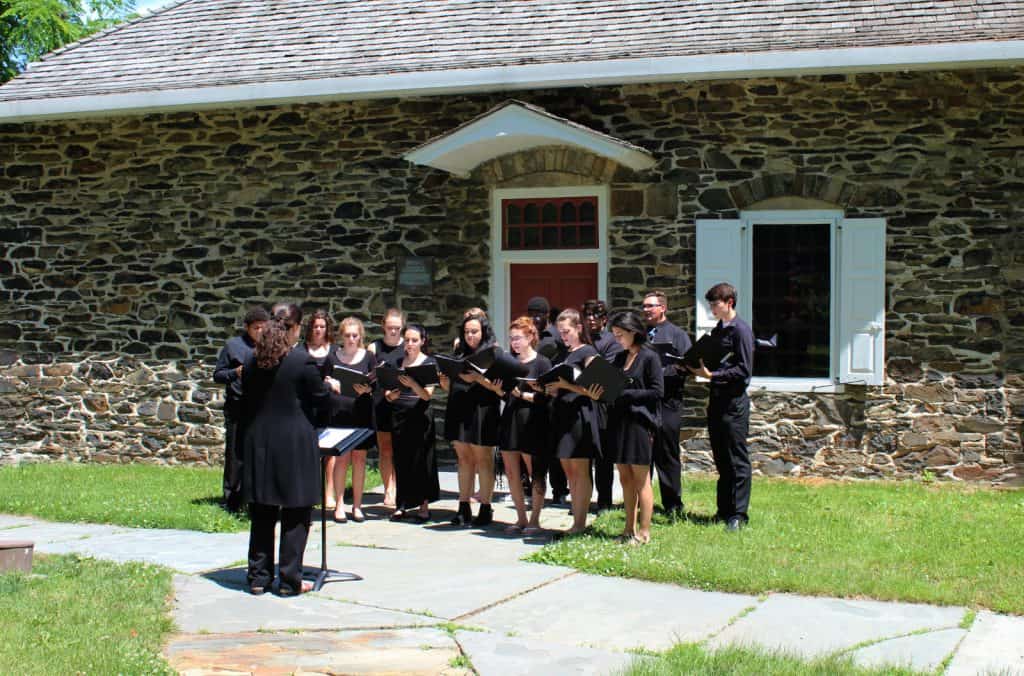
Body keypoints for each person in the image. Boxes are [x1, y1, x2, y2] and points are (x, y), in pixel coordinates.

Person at [239, 303, 327, 596]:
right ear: (296, 328)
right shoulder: (301, 361)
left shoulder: (252, 361)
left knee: (263, 511)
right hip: (293, 444)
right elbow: (320, 399)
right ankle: (289, 581)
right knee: (296, 512)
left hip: (260, 443)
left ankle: (259, 577)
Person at [687, 283, 755, 532]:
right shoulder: (720, 329)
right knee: (721, 458)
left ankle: (738, 514)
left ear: (729, 302)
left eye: (715, 304)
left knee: (737, 459)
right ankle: (723, 510)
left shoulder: (741, 331)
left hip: (734, 403)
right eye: (711, 305)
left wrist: (713, 374)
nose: (712, 309)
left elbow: (744, 369)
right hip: (717, 401)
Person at [539, 309, 603, 536]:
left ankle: (580, 523)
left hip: (580, 415)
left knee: (580, 470)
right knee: (568, 469)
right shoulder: (564, 353)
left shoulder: (588, 352)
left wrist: (566, 386)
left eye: (567, 331)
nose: (563, 336)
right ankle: (575, 519)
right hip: (563, 414)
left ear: (578, 328)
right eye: (560, 332)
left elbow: (596, 389)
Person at [606, 311, 664, 545]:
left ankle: (644, 531)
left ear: (633, 333)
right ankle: (628, 528)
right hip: (619, 422)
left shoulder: (650, 357)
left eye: (620, 335)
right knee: (625, 479)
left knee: (641, 479)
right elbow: (610, 386)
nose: (617, 339)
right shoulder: (619, 358)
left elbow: (657, 391)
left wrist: (627, 394)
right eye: (614, 335)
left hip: (640, 424)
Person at [439, 312, 502, 527]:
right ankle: (463, 506)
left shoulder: (493, 352)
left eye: (474, 332)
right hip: (459, 406)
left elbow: (499, 388)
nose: (470, 336)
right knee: (464, 459)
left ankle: (485, 507)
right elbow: (449, 386)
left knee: (483, 459)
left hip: (483, 409)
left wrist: (477, 378)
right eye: (466, 332)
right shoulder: (459, 352)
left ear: (483, 331)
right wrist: (444, 379)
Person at [495, 316, 552, 533]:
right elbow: (505, 394)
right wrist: (498, 389)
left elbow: (547, 396)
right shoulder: (508, 361)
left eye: (518, 338)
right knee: (511, 471)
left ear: (530, 337)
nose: (514, 343)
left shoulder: (542, 362)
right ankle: (520, 518)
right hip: (510, 419)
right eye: (511, 339)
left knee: (534, 471)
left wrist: (522, 395)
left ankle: (535, 518)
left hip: (532, 420)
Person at [213, 306, 269, 512]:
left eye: (264, 328)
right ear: (247, 327)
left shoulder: (269, 346)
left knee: (258, 454)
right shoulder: (233, 346)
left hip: (261, 407)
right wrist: (235, 373)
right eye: (256, 328)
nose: (260, 332)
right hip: (237, 406)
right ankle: (231, 499)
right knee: (235, 454)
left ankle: (254, 496)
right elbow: (218, 375)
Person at [642, 289, 692, 518]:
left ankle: (672, 504)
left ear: (663, 308)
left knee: (667, 453)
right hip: (644, 402)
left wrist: (661, 372)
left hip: (669, 402)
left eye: (650, 306)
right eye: (644, 306)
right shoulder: (640, 335)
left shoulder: (677, 335)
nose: (646, 310)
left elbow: (688, 366)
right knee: (643, 454)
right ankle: (643, 501)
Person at [323, 317, 376, 523]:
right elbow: (323, 381)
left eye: (355, 335)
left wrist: (368, 389)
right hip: (340, 412)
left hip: (361, 411)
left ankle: (357, 506)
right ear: (341, 336)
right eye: (348, 335)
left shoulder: (369, 357)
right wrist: (330, 383)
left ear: (360, 336)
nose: (351, 339)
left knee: (359, 459)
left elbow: (376, 383)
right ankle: (339, 505)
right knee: (341, 459)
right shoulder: (332, 357)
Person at [385, 323, 439, 522]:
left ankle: (423, 505)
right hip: (399, 415)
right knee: (401, 460)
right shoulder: (396, 362)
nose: (409, 344)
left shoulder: (429, 363)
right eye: (407, 340)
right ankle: (402, 504)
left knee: (422, 460)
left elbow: (427, 396)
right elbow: (388, 395)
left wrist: (414, 384)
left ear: (422, 341)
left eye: (414, 340)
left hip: (420, 416)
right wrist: (392, 394)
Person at [526, 296, 568, 505]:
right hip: (534, 398)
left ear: (546, 315)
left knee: (555, 449)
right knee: (537, 449)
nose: (535, 318)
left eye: (539, 314)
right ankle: (535, 487)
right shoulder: (528, 335)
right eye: (531, 314)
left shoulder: (554, 336)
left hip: (552, 399)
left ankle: (560, 489)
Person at [583, 299, 623, 512]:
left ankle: (604, 500)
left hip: (601, 404)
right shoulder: (581, 339)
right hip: (581, 402)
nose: (590, 319)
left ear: (604, 319)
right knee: (583, 456)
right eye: (587, 315)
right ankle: (583, 499)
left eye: (595, 315)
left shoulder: (610, 342)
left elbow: (608, 371)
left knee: (602, 456)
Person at [368, 308, 404, 508]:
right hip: (381, 402)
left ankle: (399, 487)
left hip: (401, 403)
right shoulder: (374, 347)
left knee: (400, 448)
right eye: (390, 328)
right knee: (385, 448)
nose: (393, 331)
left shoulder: (407, 346)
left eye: (397, 328)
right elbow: (369, 375)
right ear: (383, 326)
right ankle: (388, 488)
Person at [303, 310, 335, 507]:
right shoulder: (302, 349)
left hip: (328, 403)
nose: (318, 330)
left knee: (329, 451)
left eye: (322, 326)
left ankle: (328, 491)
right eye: (315, 326)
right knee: (310, 449)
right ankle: (311, 491)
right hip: (308, 405)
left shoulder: (333, 350)